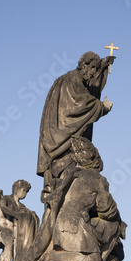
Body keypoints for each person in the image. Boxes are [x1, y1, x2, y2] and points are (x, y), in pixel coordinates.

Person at [37, 51, 115, 183]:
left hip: (57, 138)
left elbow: (88, 94)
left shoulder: (67, 80)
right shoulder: (73, 81)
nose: (93, 73)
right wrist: (103, 107)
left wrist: (102, 67)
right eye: (92, 69)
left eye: (95, 70)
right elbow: (82, 104)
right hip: (64, 142)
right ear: (84, 65)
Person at [0, 180, 39, 261]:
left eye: (26, 192)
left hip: (15, 230)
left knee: (8, 249)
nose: (25, 194)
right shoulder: (6, 199)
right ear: (16, 189)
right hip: (3, 228)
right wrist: (16, 214)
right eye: (23, 190)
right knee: (9, 243)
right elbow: (4, 208)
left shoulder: (21, 205)